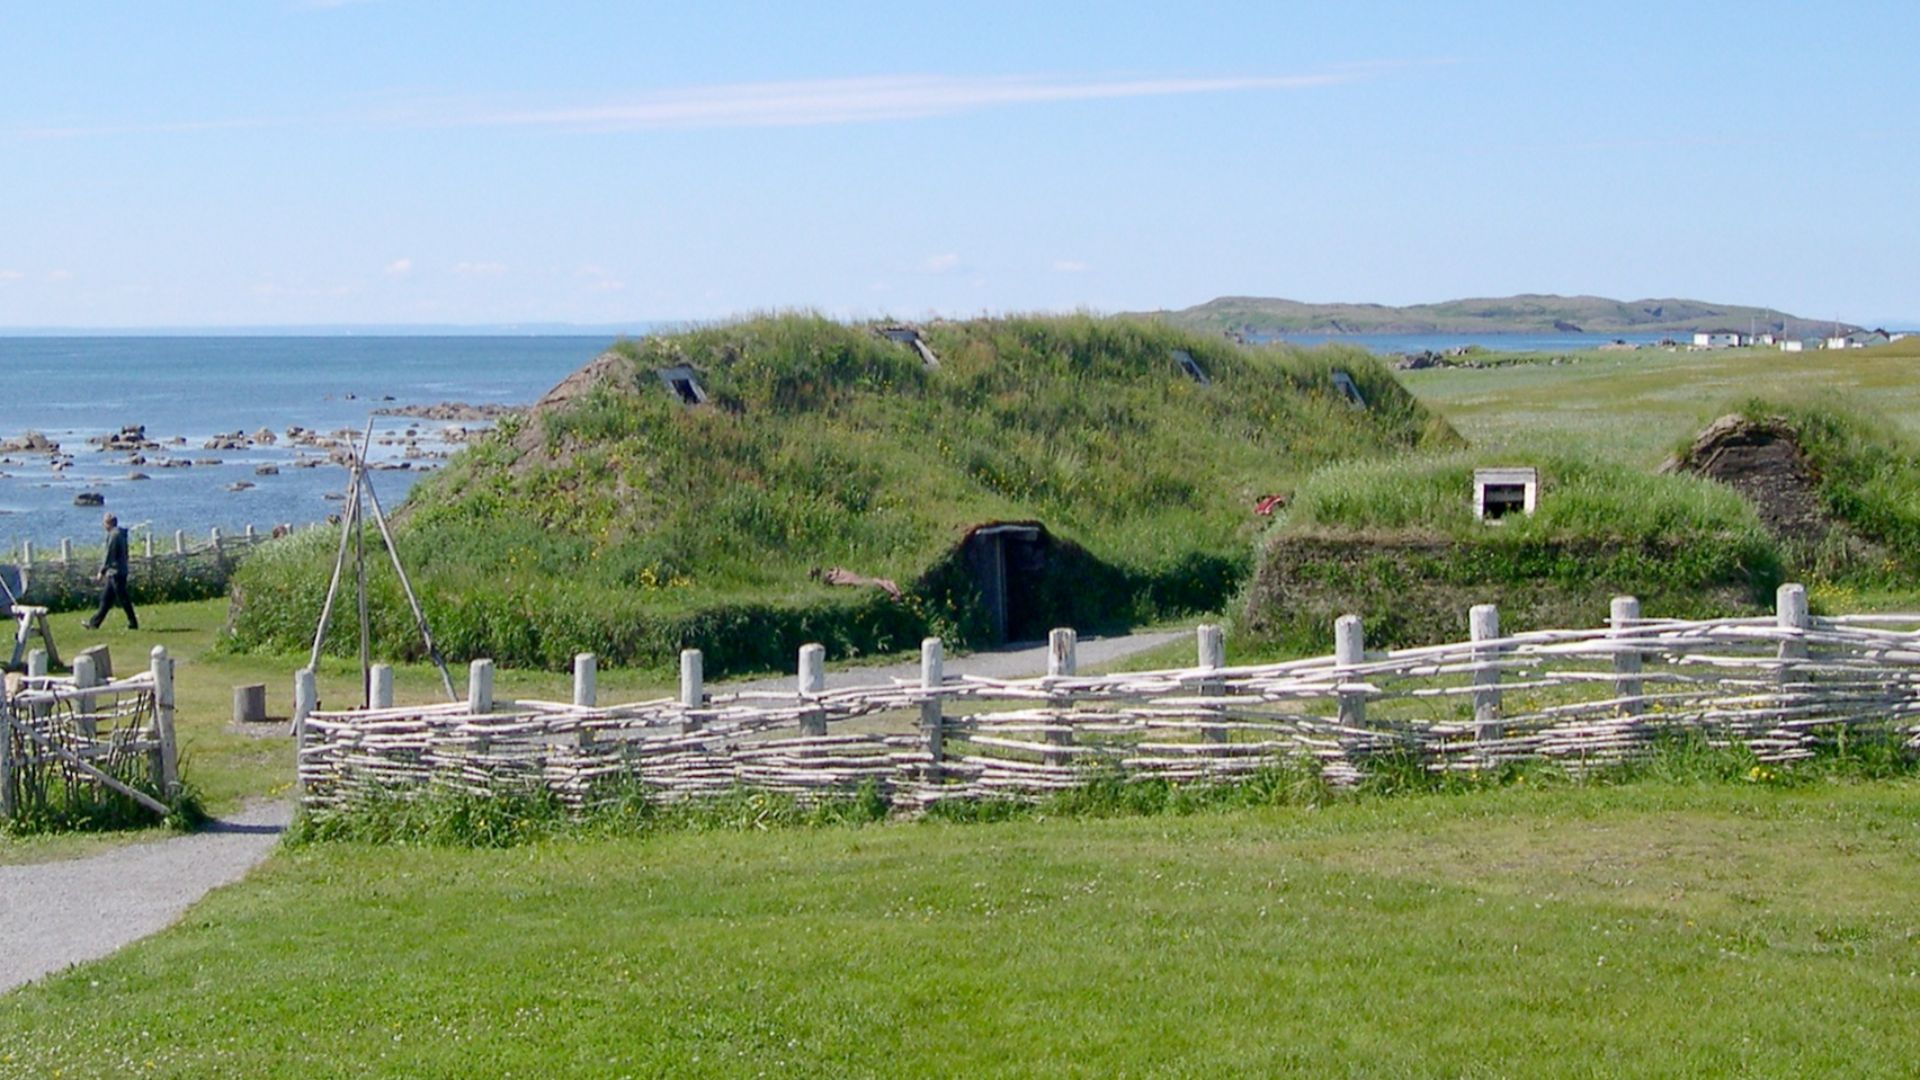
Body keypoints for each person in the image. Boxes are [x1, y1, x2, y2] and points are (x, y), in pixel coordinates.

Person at [84, 512, 138, 630]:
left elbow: (109, 555)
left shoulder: (113, 535)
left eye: (104, 523)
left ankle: (133, 622)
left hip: (115, 572)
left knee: (123, 599)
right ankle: (94, 623)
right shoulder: (121, 534)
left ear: (108, 523)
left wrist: (101, 571)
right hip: (119, 571)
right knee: (106, 599)